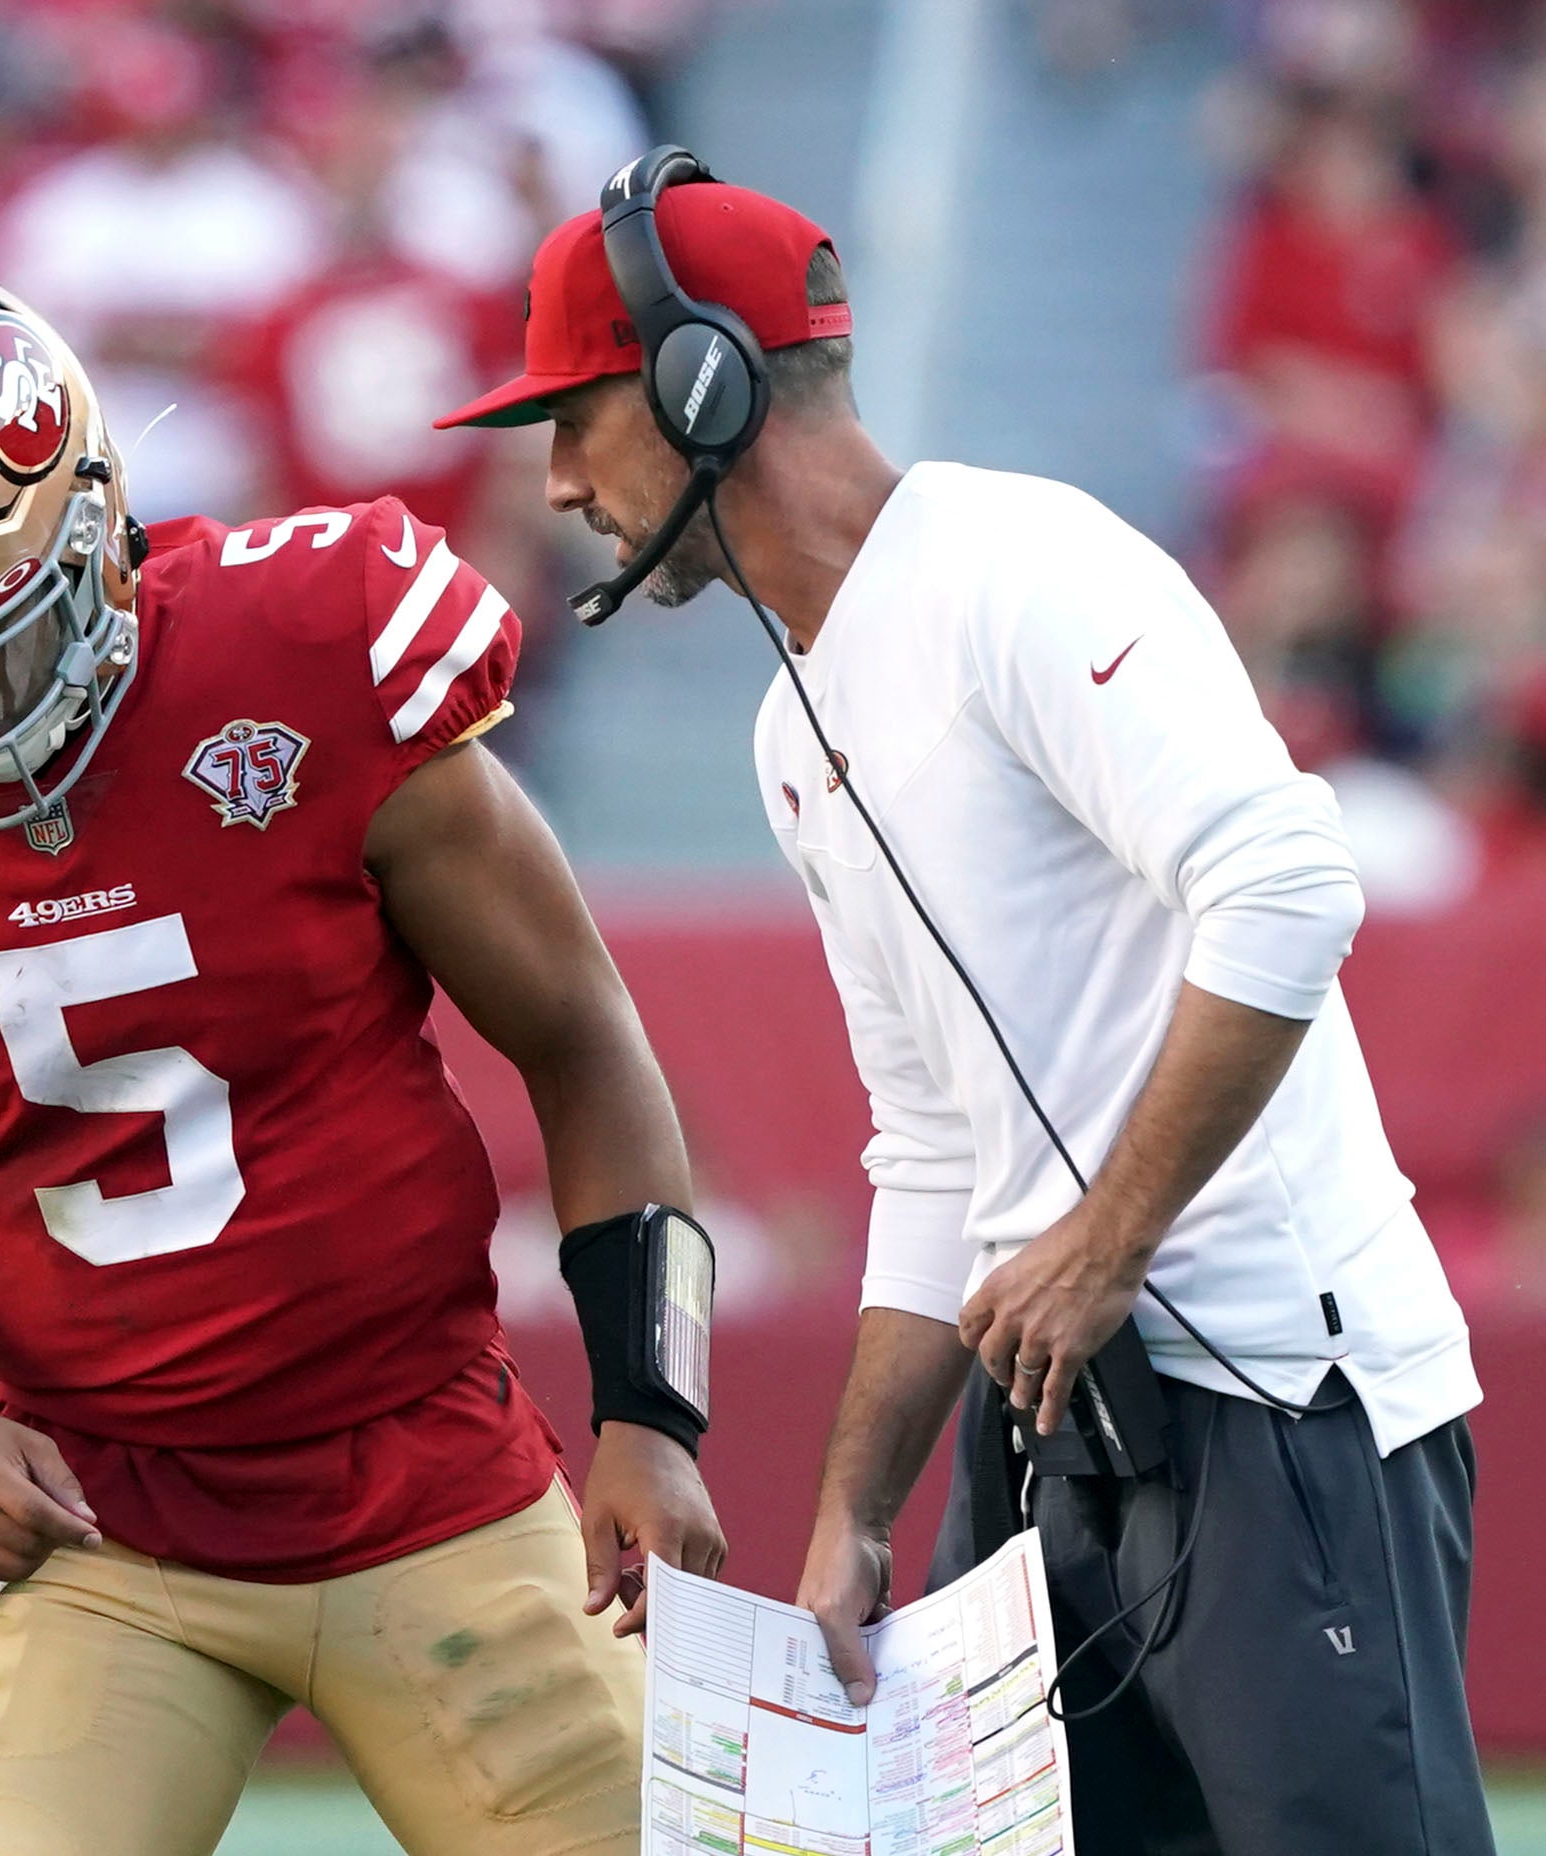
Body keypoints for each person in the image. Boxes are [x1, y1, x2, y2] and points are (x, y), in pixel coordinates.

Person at [445, 159, 1491, 1856]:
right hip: (1055, 1438)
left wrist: (1107, 1237)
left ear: (700, 382)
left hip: (1283, 1398)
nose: (557, 479)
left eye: (577, 414)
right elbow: (933, 1144)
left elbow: (1293, 887)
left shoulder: (1026, 564)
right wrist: (859, 1508)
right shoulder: (794, 732)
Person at [0, 268, 724, 1856]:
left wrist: (654, 1409)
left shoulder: (308, 650)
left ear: (96, 530)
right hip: (96, 1529)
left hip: (429, 1480)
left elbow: (582, 1037)